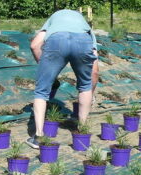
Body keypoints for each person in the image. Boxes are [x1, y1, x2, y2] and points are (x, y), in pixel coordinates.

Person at [27, 8, 99, 146]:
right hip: (82, 42)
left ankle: (39, 137)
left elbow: (34, 45)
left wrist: (46, 71)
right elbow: (94, 71)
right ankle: (82, 131)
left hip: (57, 41)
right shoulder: (86, 27)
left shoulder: (54, 19)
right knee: (85, 86)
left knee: (41, 91)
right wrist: (91, 93)